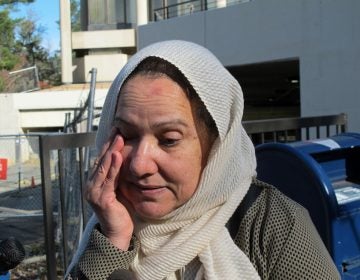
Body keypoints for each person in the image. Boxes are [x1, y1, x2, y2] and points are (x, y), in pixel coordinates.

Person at [66, 40, 340, 280]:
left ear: (216, 144)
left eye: (169, 139)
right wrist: (112, 241)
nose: (139, 165)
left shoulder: (271, 225)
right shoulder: (109, 222)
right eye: (126, 135)